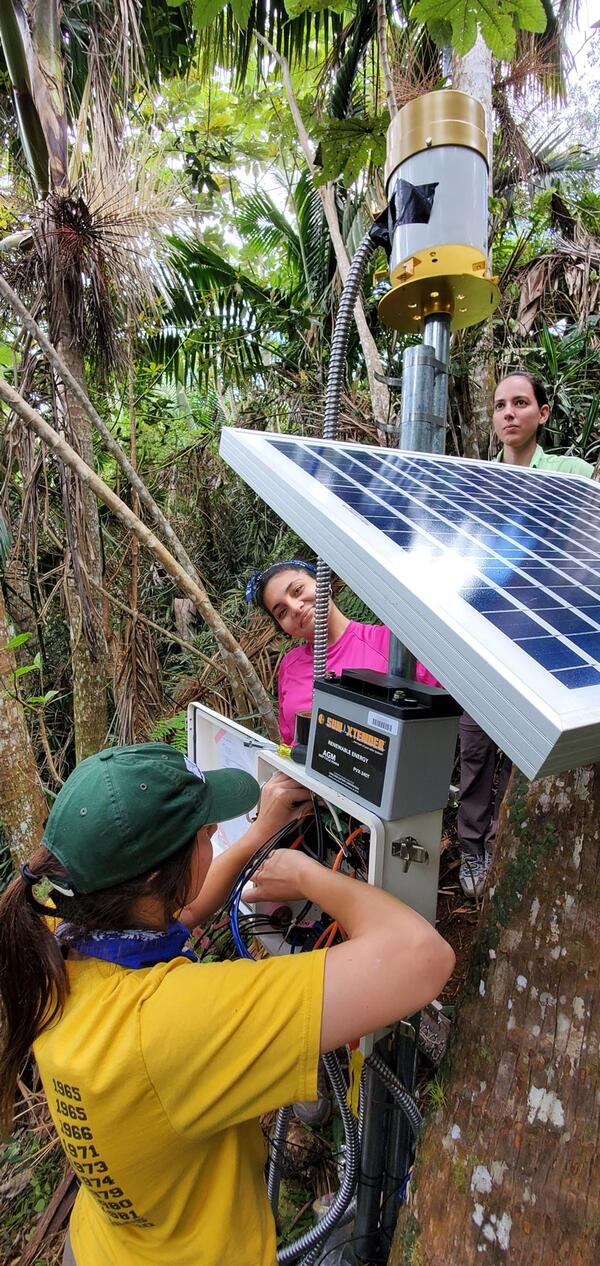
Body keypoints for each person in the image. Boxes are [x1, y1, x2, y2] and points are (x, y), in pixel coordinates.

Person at [0, 742, 455, 1266]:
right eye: (204, 832)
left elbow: (176, 915)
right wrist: (311, 877)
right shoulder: (171, 1022)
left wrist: (259, 837)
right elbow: (422, 958)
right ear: (152, 879)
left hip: (103, 1245)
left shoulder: (60, 935)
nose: (217, 831)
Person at [458, 371, 595, 898]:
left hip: (549, 638)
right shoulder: (476, 482)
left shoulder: (572, 473)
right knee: (475, 750)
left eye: (520, 403)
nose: (509, 413)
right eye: (499, 406)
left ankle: (515, 844)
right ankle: (473, 850)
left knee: (532, 755)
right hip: (488, 635)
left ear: (542, 412)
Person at [246, 559, 439, 745]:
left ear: (322, 581)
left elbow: (442, 716)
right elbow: (290, 742)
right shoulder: (290, 665)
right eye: (282, 612)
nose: (295, 608)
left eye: (298, 590)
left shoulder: (390, 643)